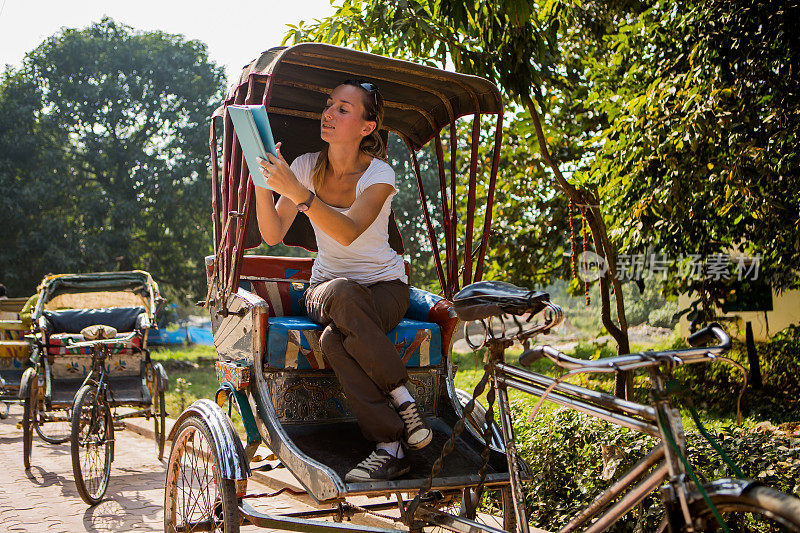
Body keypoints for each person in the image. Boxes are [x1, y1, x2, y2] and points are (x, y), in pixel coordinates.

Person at [253, 79, 431, 482]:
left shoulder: (380, 174)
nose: (329, 113)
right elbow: (273, 233)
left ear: (367, 127)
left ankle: (390, 445)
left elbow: (348, 231)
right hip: (327, 291)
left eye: (343, 109)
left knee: (334, 340)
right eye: (329, 105)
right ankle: (403, 398)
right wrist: (264, 183)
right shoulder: (304, 167)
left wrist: (300, 195)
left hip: (385, 289)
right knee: (342, 292)